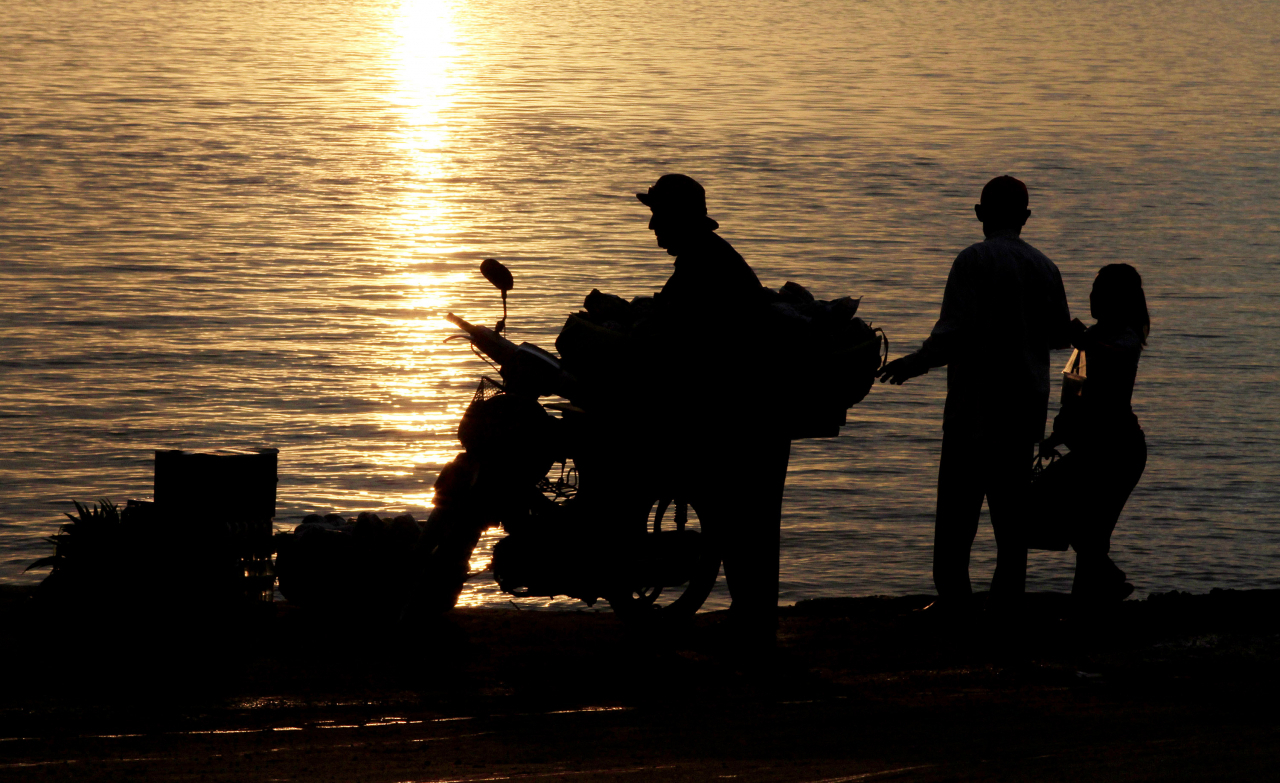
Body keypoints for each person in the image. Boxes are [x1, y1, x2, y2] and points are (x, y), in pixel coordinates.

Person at [879, 175, 1072, 612]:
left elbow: (954, 335)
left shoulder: (972, 260)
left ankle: (954, 606)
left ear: (979, 213)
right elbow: (1059, 334)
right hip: (1024, 409)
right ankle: (1007, 606)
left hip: (974, 407)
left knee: (956, 517)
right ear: (1026, 218)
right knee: (1011, 519)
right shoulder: (1045, 266)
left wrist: (914, 363)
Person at [637, 173, 790, 648]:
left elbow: (672, 326)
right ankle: (752, 622)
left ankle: (754, 627)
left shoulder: (704, 264)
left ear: (679, 219)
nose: (652, 228)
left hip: (744, 414)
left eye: (658, 217)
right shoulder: (704, 259)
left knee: (744, 523)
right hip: (749, 408)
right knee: (747, 524)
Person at [1039, 264, 1149, 603]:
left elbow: (1115, 357)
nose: (1093, 296)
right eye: (1093, 289)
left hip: (1118, 451)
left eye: (1101, 290)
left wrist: (1084, 340)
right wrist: (1057, 434)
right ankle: (1099, 589)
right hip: (1094, 450)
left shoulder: (1122, 337)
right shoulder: (1095, 338)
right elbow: (1076, 393)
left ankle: (1094, 595)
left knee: (1091, 531)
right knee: (1080, 525)